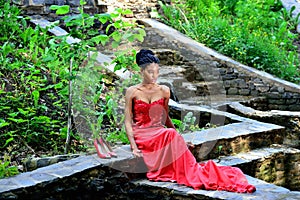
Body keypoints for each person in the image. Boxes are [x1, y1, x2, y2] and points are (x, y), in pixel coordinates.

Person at [124, 49, 256, 193]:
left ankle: (193, 172)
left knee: (170, 134)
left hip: (160, 132)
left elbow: (166, 118)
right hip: (142, 134)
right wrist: (134, 147)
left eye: (157, 71)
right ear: (141, 71)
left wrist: (179, 140)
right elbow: (128, 121)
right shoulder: (132, 91)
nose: (154, 76)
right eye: (150, 72)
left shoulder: (164, 90)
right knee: (168, 134)